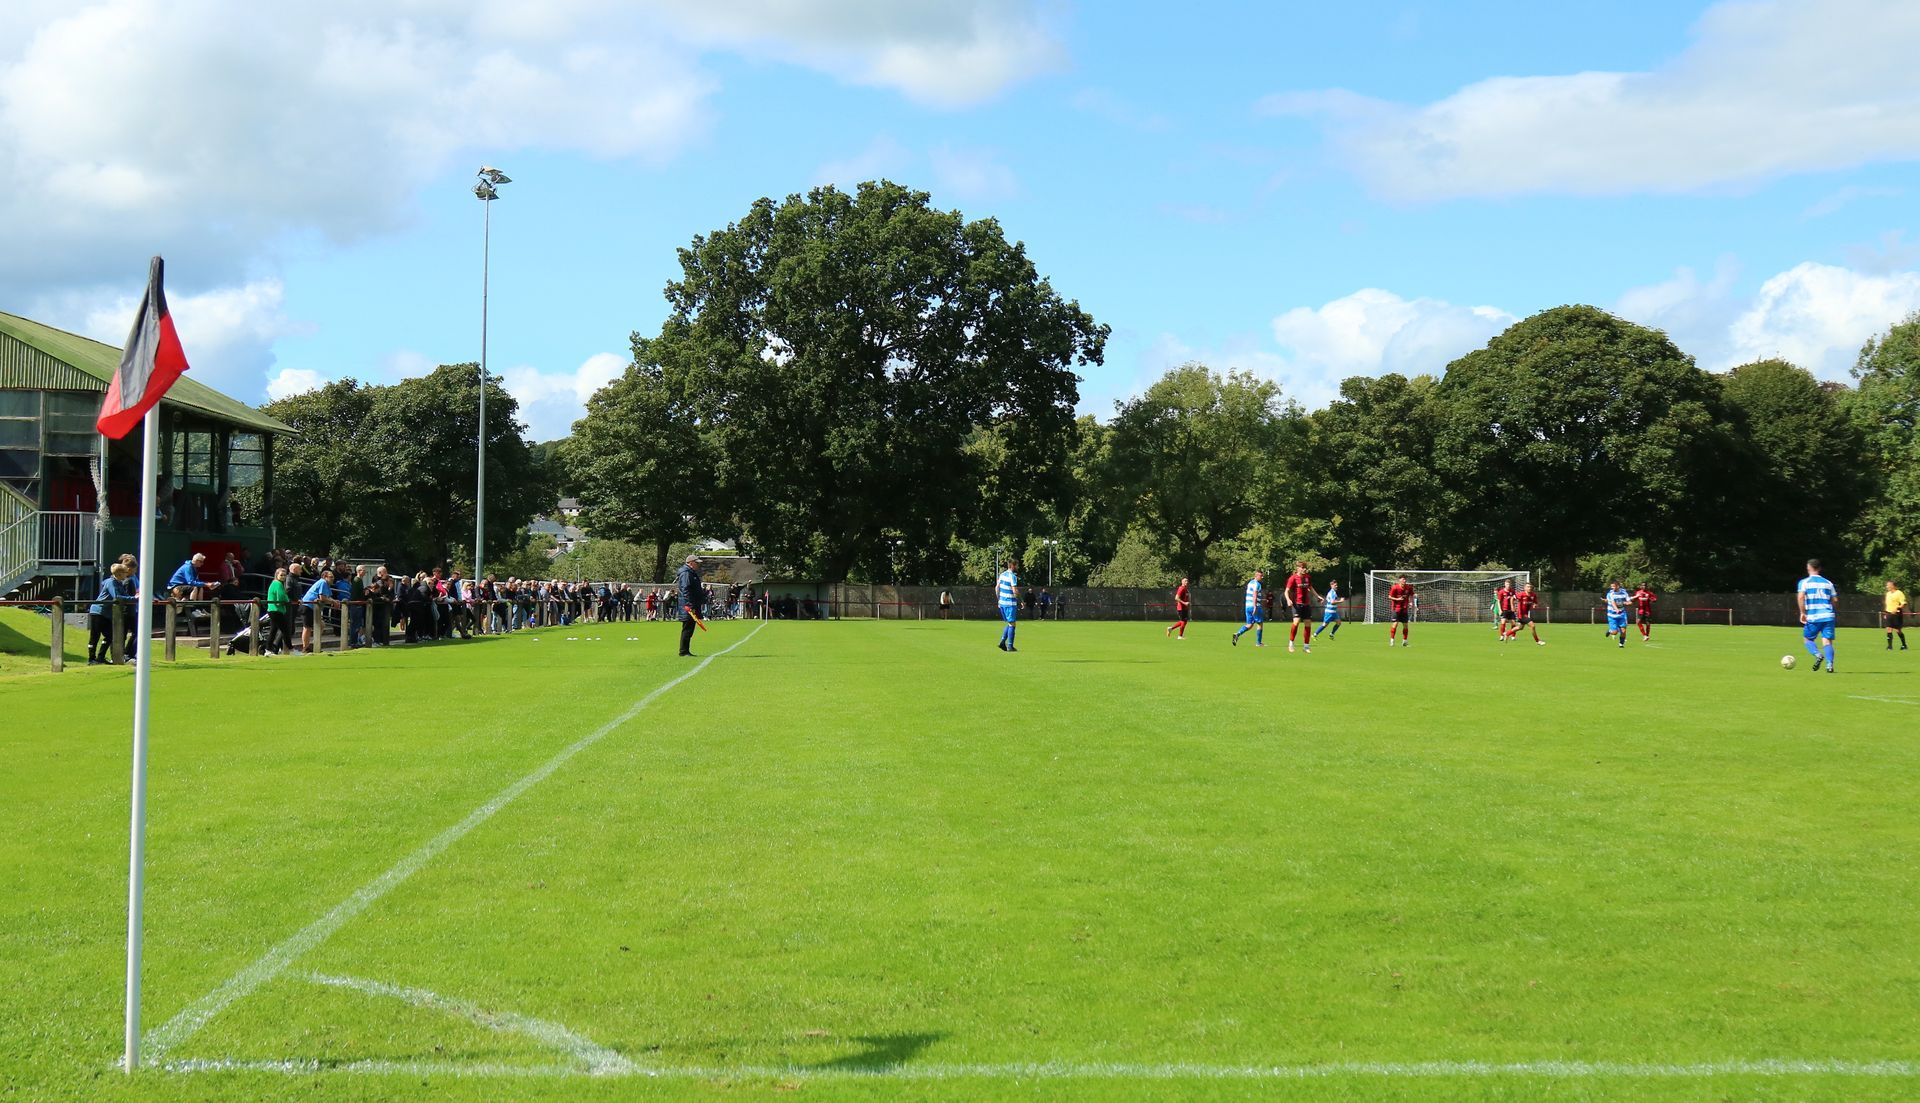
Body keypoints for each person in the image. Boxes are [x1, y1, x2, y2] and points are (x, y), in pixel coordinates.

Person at [88, 562, 136, 664]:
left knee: (110, 635)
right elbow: (116, 597)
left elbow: (124, 595)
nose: (126, 574)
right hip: (98, 612)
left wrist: (134, 598)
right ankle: (91, 658)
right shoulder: (111, 583)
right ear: (119, 574)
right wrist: (134, 598)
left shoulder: (118, 583)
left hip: (106, 614)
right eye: (124, 572)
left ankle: (100, 657)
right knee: (95, 636)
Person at [1798, 558, 1838, 674]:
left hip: (1814, 616)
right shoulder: (1828, 583)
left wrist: (1802, 613)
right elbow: (1835, 599)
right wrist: (1832, 611)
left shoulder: (1804, 582)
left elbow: (1801, 597)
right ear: (1819, 568)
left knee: (1807, 639)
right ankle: (1829, 665)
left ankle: (1817, 654)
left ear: (1808, 568)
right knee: (1827, 642)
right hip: (1828, 615)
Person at [301, 568, 339, 653]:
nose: (333, 579)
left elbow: (328, 597)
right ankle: (305, 648)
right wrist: (333, 601)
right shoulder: (323, 582)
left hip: (313, 608)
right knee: (307, 627)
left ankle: (315, 645)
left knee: (321, 625)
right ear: (325, 577)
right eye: (331, 577)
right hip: (308, 606)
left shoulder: (326, 584)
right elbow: (323, 598)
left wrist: (334, 601)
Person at [676, 554, 706, 657]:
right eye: (697, 563)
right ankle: (683, 651)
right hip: (688, 606)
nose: (698, 565)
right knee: (687, 629)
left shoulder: (690, 573)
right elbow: (685, 589)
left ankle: (685, 650)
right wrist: (689, 605)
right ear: (691, 563)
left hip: (691, 605)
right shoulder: (686, 573)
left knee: (690, 629)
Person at [1283, 560, 1315, 653]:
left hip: (1306, 604)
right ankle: (1291, 644)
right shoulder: (1293, 578)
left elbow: (1310, 588)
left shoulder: (1307, 577)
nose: (1304, 569)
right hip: (1297, 604)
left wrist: (1318, 596)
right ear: (1298, 568)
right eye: (1303, 567)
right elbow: (1286, 591)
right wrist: (1288, 600)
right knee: (1296, 623)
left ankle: (1306, 646)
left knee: (1308, 624)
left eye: (1305, 567)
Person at [1232, 569, 1265, 647]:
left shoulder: (1250, 583)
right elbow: (1254, 594)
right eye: (1261, 575)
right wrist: (1255, 606)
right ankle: (1258, 643)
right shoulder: (1257, 584)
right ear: (1256, 575)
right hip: (1255, 606)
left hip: (1247, 606)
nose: (1262, 577)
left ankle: (1237, 634)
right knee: (1260, 624)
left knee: (1249, 624)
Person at [265, 567, 293, 654]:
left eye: (285, 575)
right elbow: (281, 597)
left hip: (273, 610)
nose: (283, 577)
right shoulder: (278, 584)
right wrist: (288, 601)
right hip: (276, 610)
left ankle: (268, 650)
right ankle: (291, 649)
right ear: (277, 575)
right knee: (285, 631)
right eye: (281, 575)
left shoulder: (275, 583)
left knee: (273, 631)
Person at [996, 557, 1021, 652]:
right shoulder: (1012, 576)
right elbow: (1014, 590)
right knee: (1012, 624)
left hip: (1002, 603)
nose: (1017, 567)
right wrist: (1020, 601)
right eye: (1016, 565)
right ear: (1012, 565)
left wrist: (999, 600)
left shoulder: (1002, 575)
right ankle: (1010, 646)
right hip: (1010, 603)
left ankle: (1002, 642)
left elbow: (996, 588)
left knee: (1010, 623)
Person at [1387, 574, 1414, 646]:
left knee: (1405, 625)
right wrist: (1397, 599)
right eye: (1403, 579)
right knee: (1395, 624)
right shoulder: (1395, 587)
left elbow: (1411, 595)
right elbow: (1389, 596)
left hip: (1404, 609)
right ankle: (1392, 640)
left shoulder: (1408, 588)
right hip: (1396, 608)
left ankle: (1405, 641)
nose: (1404, 580)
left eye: (1405, 579)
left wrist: (1411, 602)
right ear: (1399, 580)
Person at [1603, 580, 1631, 648]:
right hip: (1612, 615)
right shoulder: (1610, 594)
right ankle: (1610, 631)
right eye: (1611, 587)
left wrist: (1627, 603)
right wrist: (1616, 609)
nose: (1612, 588)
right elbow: (1613, 603)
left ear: (1618, 586)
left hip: (1622, 614)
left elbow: (1629, 601)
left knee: (1623, 630)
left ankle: (1621, 644)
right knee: (1615, 632)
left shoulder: (1624, 592)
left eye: (1613, 586)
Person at [1885, 579, 1908, 651]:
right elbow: (1888, 604)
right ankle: (1889, 646)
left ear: (1893, 585)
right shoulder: (1888, 594)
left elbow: (1903, 603)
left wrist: (1897, 608)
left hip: (1897, 614)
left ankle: (1904, 645)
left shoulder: (1899, 593)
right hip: (1889, 613)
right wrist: (1886, 612)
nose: (1887, 586)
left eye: (1888, 585)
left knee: (1898, 630)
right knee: (1888, 629)